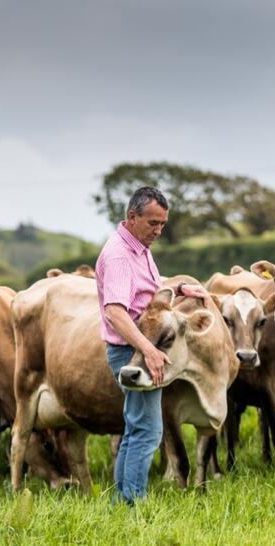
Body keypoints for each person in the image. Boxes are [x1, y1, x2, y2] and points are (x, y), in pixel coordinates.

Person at [95, 186, 209, 504]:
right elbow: (115, 312)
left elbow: (149, 292)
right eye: (152, 223)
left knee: (136, 428)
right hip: (130, 351)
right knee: (147, 430)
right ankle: (133, 502)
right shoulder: (119, 255)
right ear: (132, 216)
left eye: (162, 224)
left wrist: (179, 287)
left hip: (138, 347)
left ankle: (123, 500)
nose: (158, 231)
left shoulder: (138, 247)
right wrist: (148, 351)